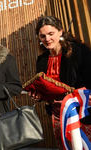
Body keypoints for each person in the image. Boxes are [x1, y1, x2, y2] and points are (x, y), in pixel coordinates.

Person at [30, 16, 91, 149]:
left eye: (51, 34)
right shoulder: (41, 60)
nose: (47, 39)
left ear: (61, 32)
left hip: (81, 111)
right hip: (57, 114)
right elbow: (44, 87)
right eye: (42, 36)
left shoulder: (79, 51)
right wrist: (38, 94)